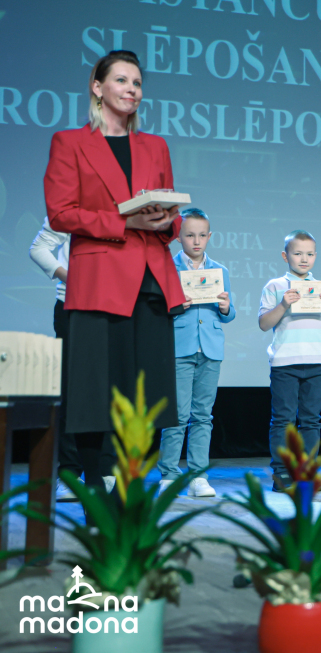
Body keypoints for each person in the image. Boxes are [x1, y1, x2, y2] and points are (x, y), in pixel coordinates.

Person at [43, 49, 183, 496]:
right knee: (94, 398)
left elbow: (172, 216)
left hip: (151, 282)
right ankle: (95, 495)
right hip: (99, 282)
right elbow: (61, 212)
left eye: (137, 83)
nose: (131, 89)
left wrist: (167, 221)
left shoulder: (155, 146)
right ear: (97, 87)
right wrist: (125, 221)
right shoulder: (70, 142)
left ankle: (130, 490)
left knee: (148, 400)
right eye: (121, 80)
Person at [29, 218, 117, 500]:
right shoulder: (70, 208)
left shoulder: (127, 208)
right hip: (72, 304)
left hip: (115, 305)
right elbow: (38, 248)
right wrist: (70, 276)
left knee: (110, 390)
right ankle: (69, 473)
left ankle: (105, 471)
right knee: (72, 390)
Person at [157, 208, 234, 498]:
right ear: (178, 236)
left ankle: (198, 476)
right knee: (177, 415)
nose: (197, 241)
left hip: (210, 349)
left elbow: (228, 314)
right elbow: (157, 310)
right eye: (190, 235)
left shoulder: (220, 270)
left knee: (203, 415)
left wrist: (226, 307)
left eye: (202, 235)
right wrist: (177, 306)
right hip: (180, 347)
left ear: (210, 236)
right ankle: (169, 474)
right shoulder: (168, 267)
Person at [258, 230, 321, 491]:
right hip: (285, 362)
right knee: (283, 420)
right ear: (285, 256)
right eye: (298, 253)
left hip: (316, 360)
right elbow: (263, 323)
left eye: (310, 254)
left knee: (311, 420)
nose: (304, 259)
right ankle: (282, 473)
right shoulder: (275, 286)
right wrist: (283, 305)